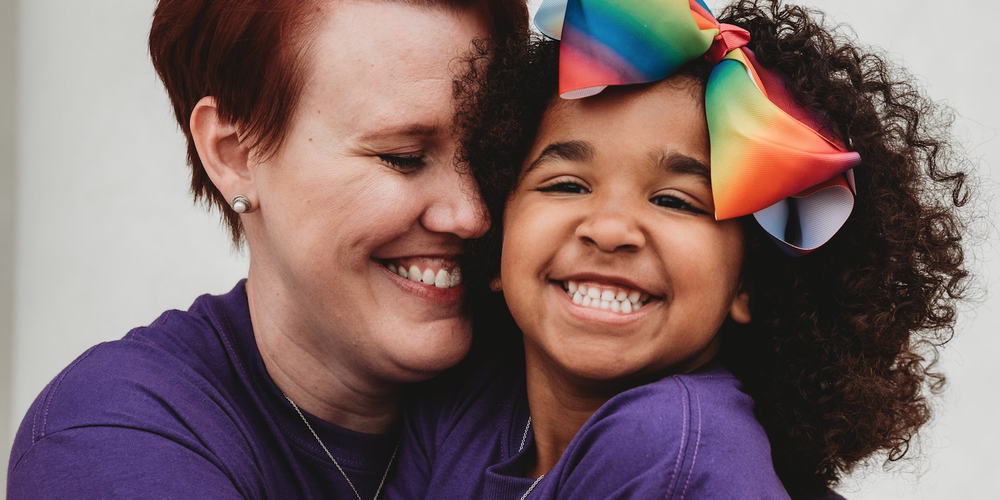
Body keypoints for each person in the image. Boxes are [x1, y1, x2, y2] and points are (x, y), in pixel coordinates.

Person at [386, 0, 972, 498]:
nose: (610, 229)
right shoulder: (464, 404)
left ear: (749, 280)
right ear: (500, 226)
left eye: (675, 201)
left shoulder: (671, 443)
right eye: (566, 185)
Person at [6, 1, 527, 499]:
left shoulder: (563, 373)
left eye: (492, 150)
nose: (473, 213)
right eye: (404, 157)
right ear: (235, 156)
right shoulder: (111, 431)